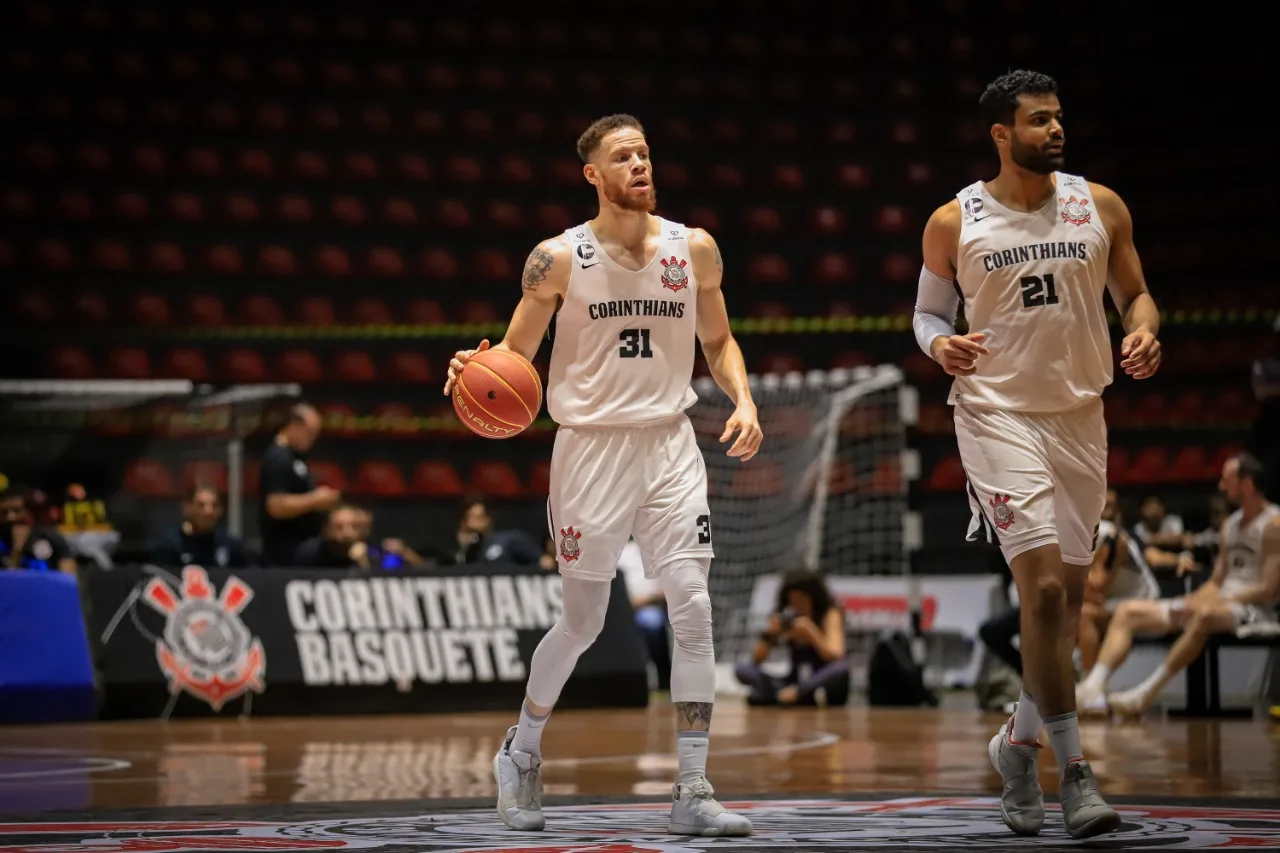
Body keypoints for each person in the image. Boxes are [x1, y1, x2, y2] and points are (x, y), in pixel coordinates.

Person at [443, 113, 762, 836]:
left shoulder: (695, 249)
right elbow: (513, 359)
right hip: (589, 448)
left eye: (646, 153)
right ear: (593, 173)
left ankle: (691, 786)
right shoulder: (558, 258)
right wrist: (474, 369)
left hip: (670, 443)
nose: (640, 165)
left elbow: (719, 337)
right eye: (624, 156)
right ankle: (520, 749)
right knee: (584, 620)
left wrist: (742, 398)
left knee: (692, 603)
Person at [913, 69, 1163, 839]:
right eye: (1039, 121)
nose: (1056, 130)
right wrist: (939, 344)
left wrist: (1145, 329)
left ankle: (1015, 746)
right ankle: (1075, 775)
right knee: (1047, 593)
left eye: (1059, 118)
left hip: (1080, 415)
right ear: (1001, 133)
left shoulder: (1102, 204)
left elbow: (1138, 294)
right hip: (994, 414)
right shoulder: (955, 220)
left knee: (1065, 608)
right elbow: (925, 314)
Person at [1076, 453, 1279, 717]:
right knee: (1128, 611)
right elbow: (1217, 581)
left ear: (1247, 483)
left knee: (1204, 615)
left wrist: (1212, 603)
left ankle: (1144, 694)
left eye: (1226, 480)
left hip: (1254, 611)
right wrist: (1192, 600)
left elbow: (1268, 589)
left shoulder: (1273, 525)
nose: (1220, 486)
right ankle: (1092, 688)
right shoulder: (1230, 525)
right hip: (1218, 603)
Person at [734, 568, 850, 706]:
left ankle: (796, 694)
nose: (798, 605)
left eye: (802, 600)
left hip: (819, 679)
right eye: (793, 601)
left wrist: (810, 632)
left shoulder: (829, 614)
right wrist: (770, 635)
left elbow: (836, 655)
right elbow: (756, 660)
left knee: (841, 668)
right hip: (793, 679)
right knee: (742, 668)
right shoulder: (786, 618)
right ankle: (783, 695)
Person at [1077, 493, 1159, 680]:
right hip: (1114, 602)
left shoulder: (1109, 536)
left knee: (1083, 615)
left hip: (1142, 603)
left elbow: (1095, 590)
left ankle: (1089, 686)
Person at [259, 403, 341, 566]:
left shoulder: (295, 457)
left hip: (304, 542)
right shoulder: (277, 458)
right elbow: (275, 506)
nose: (313, 440)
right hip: (286, 549)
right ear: (295, 426)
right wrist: (315, 500)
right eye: (310, 434)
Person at [150, 485, 252, 569]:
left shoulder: (230, 545)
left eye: (214, 505)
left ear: (221, 511)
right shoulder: (170, 544)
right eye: (201, 505)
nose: (208, 512)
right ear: (187, 508)